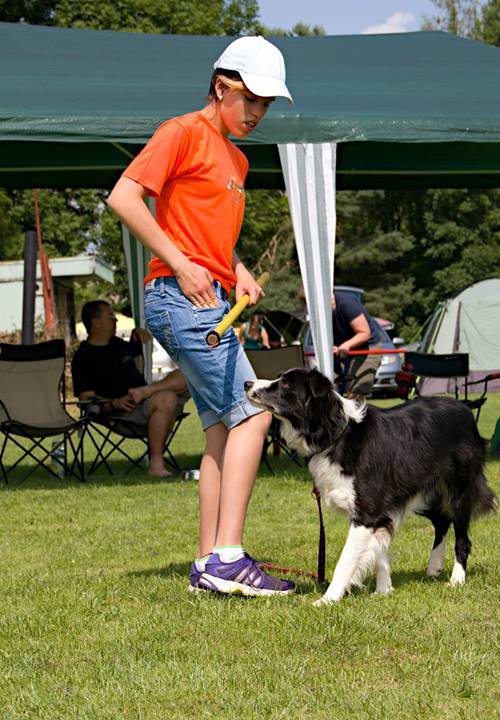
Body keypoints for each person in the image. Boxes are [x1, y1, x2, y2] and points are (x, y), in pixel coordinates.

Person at [106, 36, 294, 596]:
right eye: (252, 99)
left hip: (211, 294)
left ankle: (207, 562)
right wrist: (183, 265)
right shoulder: (182, 132)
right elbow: (122, 197)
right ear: (221, 86)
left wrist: (236, 267)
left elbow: (209, 236)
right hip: (179, 295)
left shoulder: (237, 158)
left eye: (267, 104)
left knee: (220, 428)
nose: (259, 112)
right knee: (255, 414)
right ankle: (230, 559)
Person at [72, 300, 189, 478]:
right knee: (166, 398)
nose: (115, 320)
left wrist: (138, 333)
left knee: (189, 372)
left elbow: (142, 343)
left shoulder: (119, 345)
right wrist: (115, 404)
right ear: (96, 322)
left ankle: (146, 391)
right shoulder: (83, 357)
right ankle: (156, 464)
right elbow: (88, 401)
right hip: (123, 413)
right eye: (110, 316)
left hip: (146, 399)